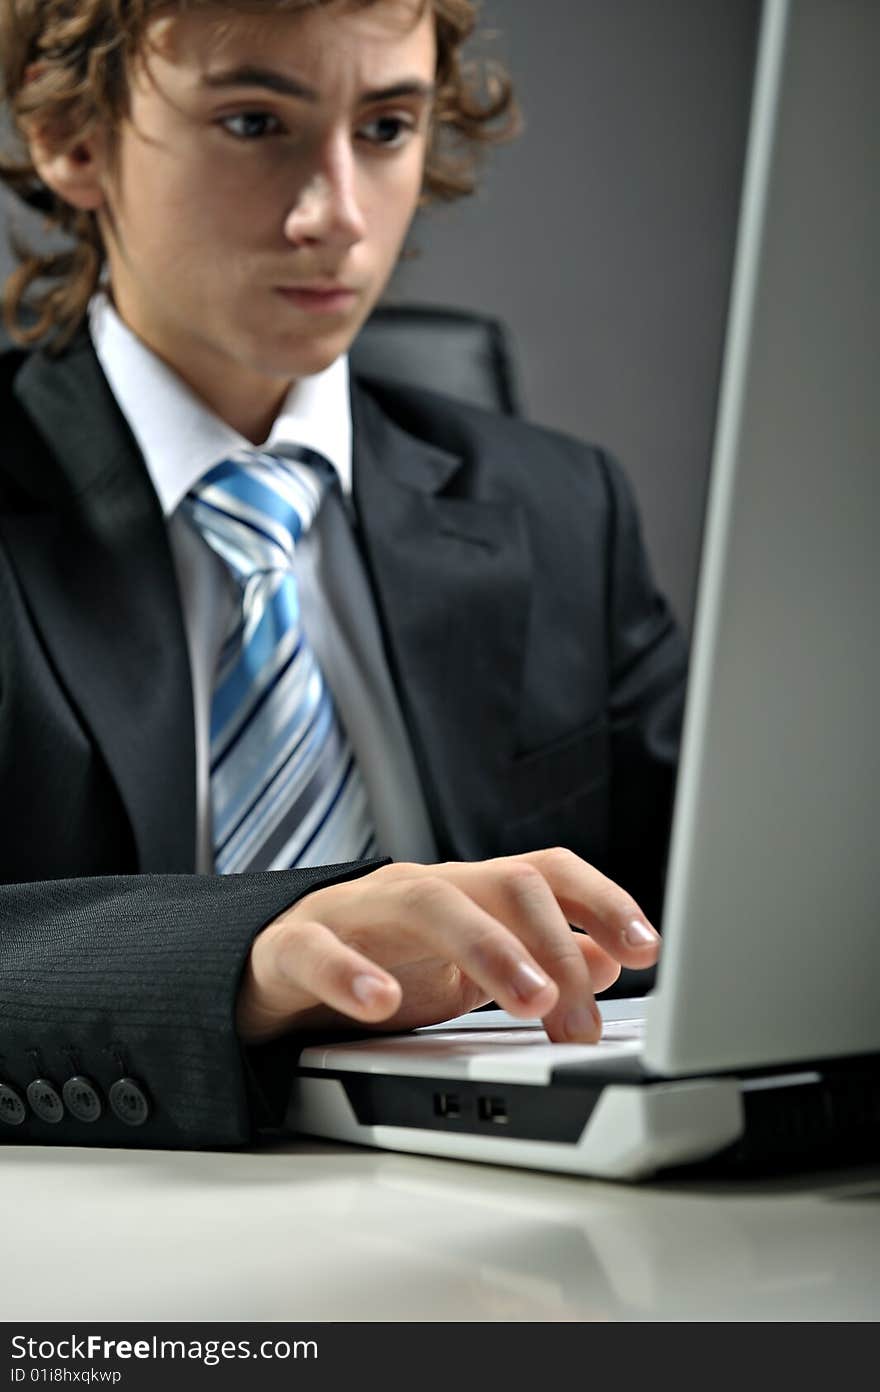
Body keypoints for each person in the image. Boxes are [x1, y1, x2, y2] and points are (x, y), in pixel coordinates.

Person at [0, 0, 687, 1148]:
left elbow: (744, 905)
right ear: (76, 139)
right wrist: (256, 950)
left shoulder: (564, 509)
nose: (338, 216)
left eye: (384, 128)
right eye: (256, 121)